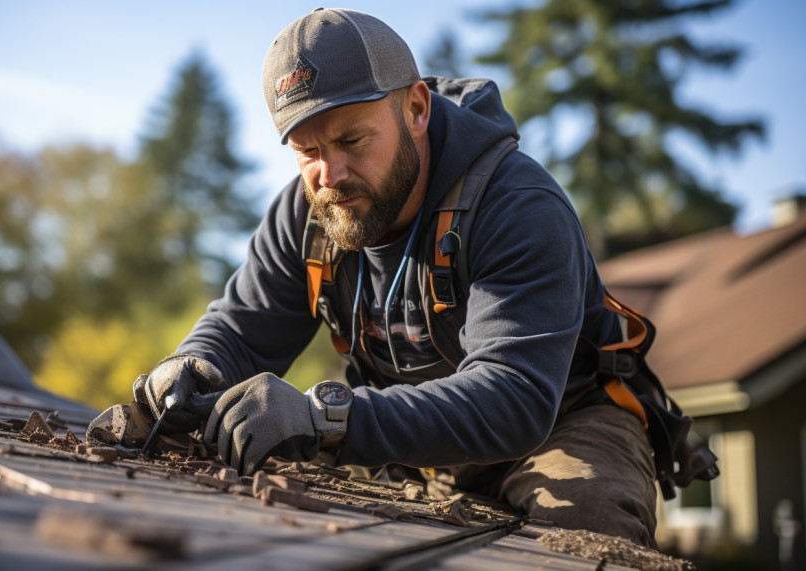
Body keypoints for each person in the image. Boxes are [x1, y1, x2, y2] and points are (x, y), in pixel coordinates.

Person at [132, 8, 660, 547]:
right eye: (308, 152)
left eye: (353, 141)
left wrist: (325, 419)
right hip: (407, 446)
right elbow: (241, 332)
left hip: (561, 427)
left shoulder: (519, 206)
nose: (330, 176)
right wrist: (189, 366)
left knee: (588, 530)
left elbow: (515, 397)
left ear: (415, 109)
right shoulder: (304, 214)